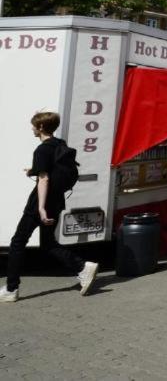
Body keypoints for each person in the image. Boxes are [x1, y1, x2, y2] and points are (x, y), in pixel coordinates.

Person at [1, 112, 99, 302]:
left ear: (40, 128)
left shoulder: (42, 149)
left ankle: (11, 289)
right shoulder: (59, 144)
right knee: (48, 244)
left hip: (40, 204)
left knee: (17, 242)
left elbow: (44, 179)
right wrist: (33, 170)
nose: (32, 129)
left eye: (33, 126)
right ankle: (82, 267)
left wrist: (41, 208)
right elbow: (49, 170)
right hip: (57, 201)